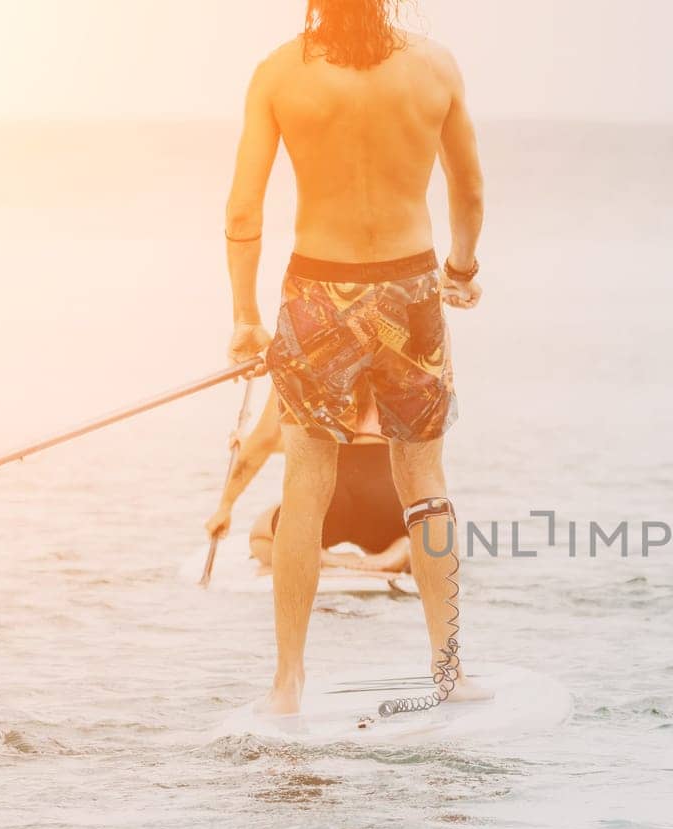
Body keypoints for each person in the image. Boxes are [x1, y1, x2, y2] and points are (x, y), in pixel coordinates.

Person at [223, 0, 490, 715]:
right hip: (408, 292)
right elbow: (468, 188)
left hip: (316, 292)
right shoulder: (434, 67)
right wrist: (460, 271)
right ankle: (449, 672)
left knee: (307, 482)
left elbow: (243, 212)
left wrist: (246, 317)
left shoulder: (280, 73)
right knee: (424, 479)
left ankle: (288, 684)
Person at [205, 394, 412, 576]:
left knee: (261, 537)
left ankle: (327, 559)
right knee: (409, 534)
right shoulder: (392, 355)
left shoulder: (294, 354)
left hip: (328, 494)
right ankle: (397, 551)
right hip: (385, 493)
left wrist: (225, 507)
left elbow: (267, 439)